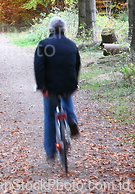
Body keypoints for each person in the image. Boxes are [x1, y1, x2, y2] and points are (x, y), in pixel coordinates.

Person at [34, 17, 81, 162]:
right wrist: (75, 82)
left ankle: (50, 151)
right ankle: (71, 119)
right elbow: (77, 65)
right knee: (67, 96)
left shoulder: (44, 44)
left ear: (50, 30)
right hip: (69, 84)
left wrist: (42, 86)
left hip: (51, 87)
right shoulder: (72, 45)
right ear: (64, 30)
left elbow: (38, 67)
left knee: (49, 116)